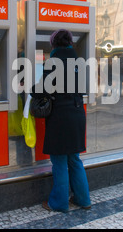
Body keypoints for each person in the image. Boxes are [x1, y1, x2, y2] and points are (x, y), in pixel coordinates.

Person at [31, 29, 91, 212]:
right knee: (74, 159)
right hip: (78, 116)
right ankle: (83, 199)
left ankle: (58, 203)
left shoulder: (53, 62)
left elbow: (43, 89)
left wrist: (30, 88)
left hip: (61, 119)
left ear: (53, 44)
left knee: (58, 161)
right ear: (70, 43)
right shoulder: (78, 62)